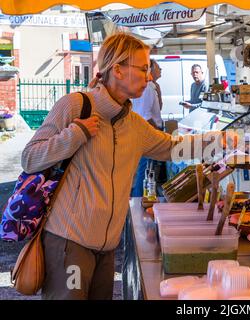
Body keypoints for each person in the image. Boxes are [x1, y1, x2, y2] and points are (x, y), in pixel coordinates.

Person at [21, 33, 234, 300]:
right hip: (69, 242)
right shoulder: (75, 106)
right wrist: (75, 134)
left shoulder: (133, 124)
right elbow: (30, 157)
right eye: (143, 68)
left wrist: (219, 140)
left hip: (107, 248)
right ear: (118, 70)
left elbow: (171, 147)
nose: (149, 76)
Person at [130, 58, 164, 197]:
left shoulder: (151, 87)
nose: (160, 70)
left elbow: (158, 108)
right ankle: (139, 202)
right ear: (150, 69)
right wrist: (158, 134)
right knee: (146, 170)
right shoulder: (148, 88)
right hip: (149, 133)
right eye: (158, 67)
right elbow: (146, 116)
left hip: (145, 132)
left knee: (147, 170)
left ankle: (143, 199)